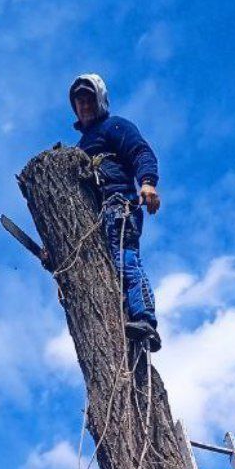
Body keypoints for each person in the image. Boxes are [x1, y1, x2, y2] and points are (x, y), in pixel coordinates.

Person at [69, 73, 161, 352]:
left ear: (99, 101)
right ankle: (126, 320)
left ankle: (144, 319)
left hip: (119, 206)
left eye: (88, 99)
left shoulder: (114, 126)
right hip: (95, 221)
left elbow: (140, 152)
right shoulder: (80, 148)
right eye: (79, 101)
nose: (84, 105)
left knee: (125, 261)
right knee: (107, 273)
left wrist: (147, 183)